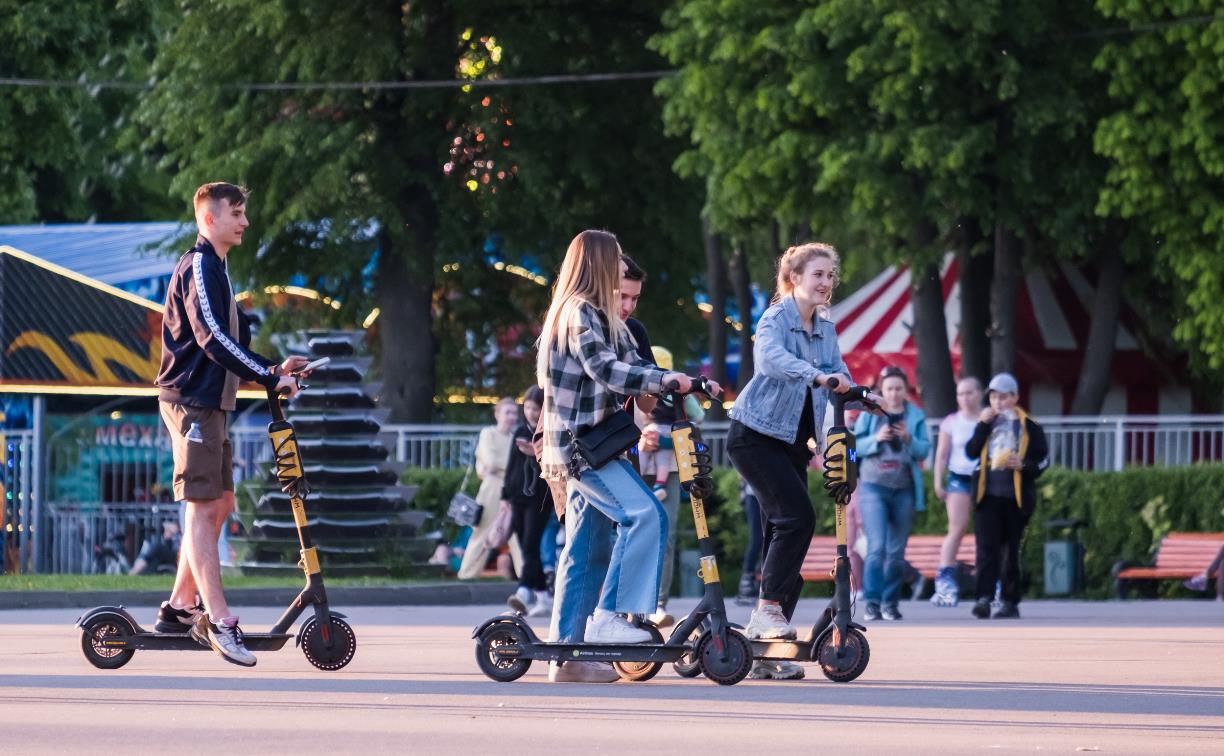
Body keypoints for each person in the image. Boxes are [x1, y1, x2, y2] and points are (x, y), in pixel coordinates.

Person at [155, 181, 306, 667]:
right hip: (192, 403)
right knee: (202, 508)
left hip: (213, 404)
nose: (244, 222)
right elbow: (213, 338)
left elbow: (231, 339)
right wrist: (266, 376)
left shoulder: (218, 268)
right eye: (236, 213)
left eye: (243, 212)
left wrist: (275, 370)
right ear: (209, 219)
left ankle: (179, 607)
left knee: (220, 503)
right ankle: (219, 620)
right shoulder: (200, 265)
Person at [538, 229, 692, 683]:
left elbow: (637, 362)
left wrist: (684, 379)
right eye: (615, 260)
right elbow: (605, 368)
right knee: (646, 516)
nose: (621, 267)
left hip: (601, 442)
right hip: (582, 448)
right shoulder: (577, 313)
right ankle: (610, 616)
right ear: (598, 264)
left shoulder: (607, 319)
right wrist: (662, 383)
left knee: (586, 549)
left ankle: (567, 659)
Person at [726, 242, 851, 681]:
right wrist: (813, 374)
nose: (826, 283)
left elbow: (839, 369)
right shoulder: (775, 318)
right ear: (794, 277)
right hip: (755, 435)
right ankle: (766, 610)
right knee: (796, 518)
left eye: (830, 275)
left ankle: (764, 650)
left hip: (795, 442)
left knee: (781, 535)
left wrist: (855, 392)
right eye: (818, 274)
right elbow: (770, 360)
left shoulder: (826, 328)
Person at [965, 372, 1049, 620]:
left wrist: (1022, 465)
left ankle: (1010, 601)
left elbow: (1043, 460)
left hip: (1016, 498)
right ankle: (983, 598)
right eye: (993, 397)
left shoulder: (1029, 425)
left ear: (1015, 397)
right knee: (986, 550)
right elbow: (971, 452)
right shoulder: (986, 422)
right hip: (986, 495)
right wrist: (981, 425)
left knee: (1010, 552)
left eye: (1003, 397)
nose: (998, 403)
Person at [852, 366, 930, 621]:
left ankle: (891, 602)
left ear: (906, 390)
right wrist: (876, 439)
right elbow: (854, 447)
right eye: (889, 389)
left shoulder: (915, 415)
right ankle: (872, 602)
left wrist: (909, 439)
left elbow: (924, 451)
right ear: (881, 391)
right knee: (877, 547)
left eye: (899, 389)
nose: (894, 394)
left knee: (896, 551)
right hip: (874, 488)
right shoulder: (871, 414)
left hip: (904, 489)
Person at [637, 345, 706, 626]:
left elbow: (696, 415)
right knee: (631, 534)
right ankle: (625, 604)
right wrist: (639, 439)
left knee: (664, 535)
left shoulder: (677, 392)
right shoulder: (632, 389)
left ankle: (656, 603)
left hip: (671, 466)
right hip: (637, 465)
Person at [930, 376, 985, 607]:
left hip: (985, 478)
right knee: (957, 528)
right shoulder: (951, 421)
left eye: (969, 392)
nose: (965, 398)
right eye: (960, 394)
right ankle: (944, 581)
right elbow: (942, 453)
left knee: (987, 532)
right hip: (959, 479)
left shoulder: (987, 417)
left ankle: (990, 580)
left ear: (980, 394)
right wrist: (937, 481)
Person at [504, 386, 557, 616]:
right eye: (527, 407)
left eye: (536, 409)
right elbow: (511, 466)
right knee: (525, 544)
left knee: (530, 543)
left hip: (540, 497)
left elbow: (554, 463)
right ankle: (543, 596)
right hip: (517, 496)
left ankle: (524, 590)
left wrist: (534, 453)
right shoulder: (519, 432)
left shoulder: (550, 433)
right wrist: (504, 497)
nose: (531, 413)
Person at [457, 397, 523, 580]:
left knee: (517, 535)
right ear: (497, 414)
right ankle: (467, 574)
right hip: (492, 489)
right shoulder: (488, 433)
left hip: (511, 487)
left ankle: (527, 578)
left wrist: (497, 468)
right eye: (507, 412)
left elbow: (498, 464)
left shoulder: (515, 438)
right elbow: (491, 461)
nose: (511, 417)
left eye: (514, 413)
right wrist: (508, 467)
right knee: (483, 531)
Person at [735, 480, 765, 605]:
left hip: (774, 493)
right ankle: (747, 580)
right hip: (753, 494)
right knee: (757, 538)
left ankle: (764, 578)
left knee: (771, 536)